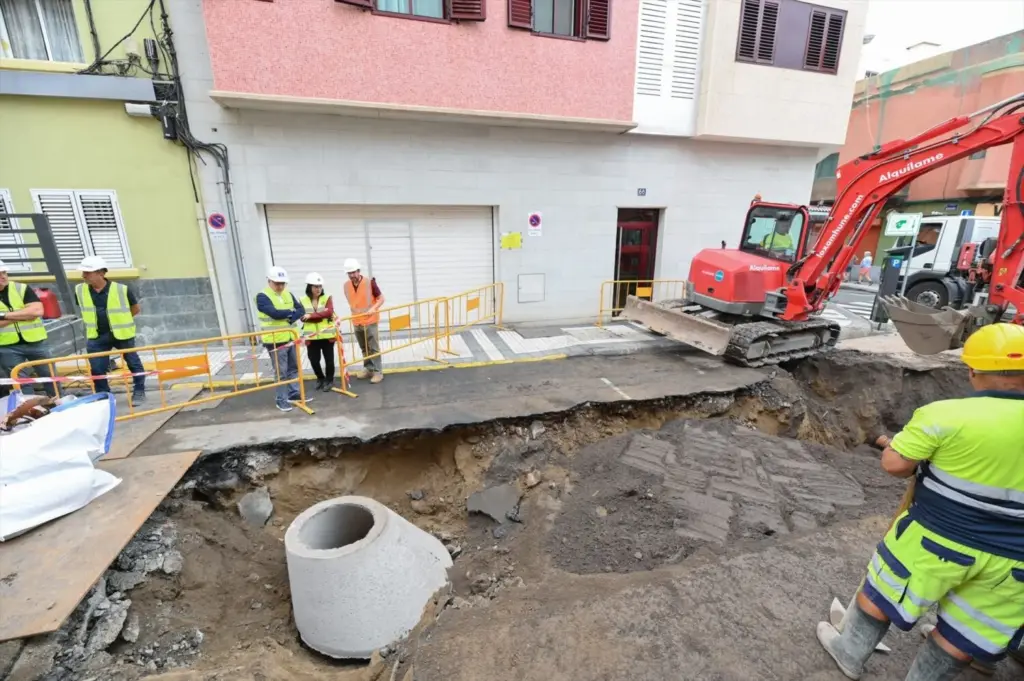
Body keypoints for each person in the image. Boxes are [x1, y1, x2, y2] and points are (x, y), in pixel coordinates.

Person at [816, 323, 1024, 681]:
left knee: (885, 589)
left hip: (938, 538)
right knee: (971, 627)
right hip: (1015, 558)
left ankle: (849, 652)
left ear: (973, 370)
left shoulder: (945, 415)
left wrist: (897, 446)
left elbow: (895, 466)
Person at [75, 256, 146, 406]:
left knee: (133, 363)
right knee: (97, 368)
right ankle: (104, 395)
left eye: (87, 272)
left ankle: (139, 391)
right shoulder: (80, 290)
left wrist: (120, 321)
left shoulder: (121, 289)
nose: (83, 276)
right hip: (96, 335)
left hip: (121, 334)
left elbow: (135, 309)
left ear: (101, 273)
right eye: (83, 272)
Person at [0, 260, 56, 399]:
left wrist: (4, 316)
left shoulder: (21, 288)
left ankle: (58, 403)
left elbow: (37, 311)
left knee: (50, 377)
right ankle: (31, 410)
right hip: (7, 346)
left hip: (36, 342)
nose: (3, 277)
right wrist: (24, 315)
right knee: (21, 383)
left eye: (4, 272)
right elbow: (30, 314)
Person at [255, 266, 308, 412]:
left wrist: (291, 314)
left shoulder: (287, 294)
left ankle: (293, 394)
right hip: (275, 340)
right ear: (269, 281)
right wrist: (291, 313)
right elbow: (274, 313)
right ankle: (281, 400)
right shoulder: (262, 296)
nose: (280, 286)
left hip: (290, 337)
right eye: (277, 283)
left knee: (293, 368)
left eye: (282, 283)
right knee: (281, 372)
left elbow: (301, 310)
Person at [341, 258, 385, 384]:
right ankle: (369, 368)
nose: (352, 275)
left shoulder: (369, 282)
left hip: (370, 321)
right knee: (364, 348)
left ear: (359, 271)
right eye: (350, 273)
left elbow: (381, 299)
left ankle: (378, 372)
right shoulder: (346, 286)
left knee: (374, 348)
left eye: (354, 272)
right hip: (356, 322)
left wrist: (373, 309)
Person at [300, 272, 337, 393]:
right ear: (309, 287)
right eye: (316, 286)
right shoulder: (302, 300)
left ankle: (329, 380)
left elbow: (329, 312)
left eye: (320, 286)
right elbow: (301, 316)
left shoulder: (327, 298)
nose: (318, 289)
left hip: (327, 335)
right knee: (313, 360)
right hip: (311, 337)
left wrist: (311, 316)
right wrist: (319, 316)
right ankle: (320, 378)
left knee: (329, 360)